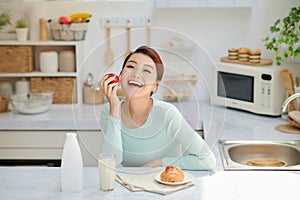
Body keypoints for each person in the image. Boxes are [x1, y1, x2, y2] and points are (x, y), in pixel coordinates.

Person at [100, 46, 216, 170]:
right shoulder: (109, 111)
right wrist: (114, 109)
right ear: (121, 75)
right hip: (130, 186)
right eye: (131, 66)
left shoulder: (167, 114)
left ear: (155, 86)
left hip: (166, 186)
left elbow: (207, 160)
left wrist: (159, 163)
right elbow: (110, 164)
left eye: (147, 71)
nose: (136, 74)